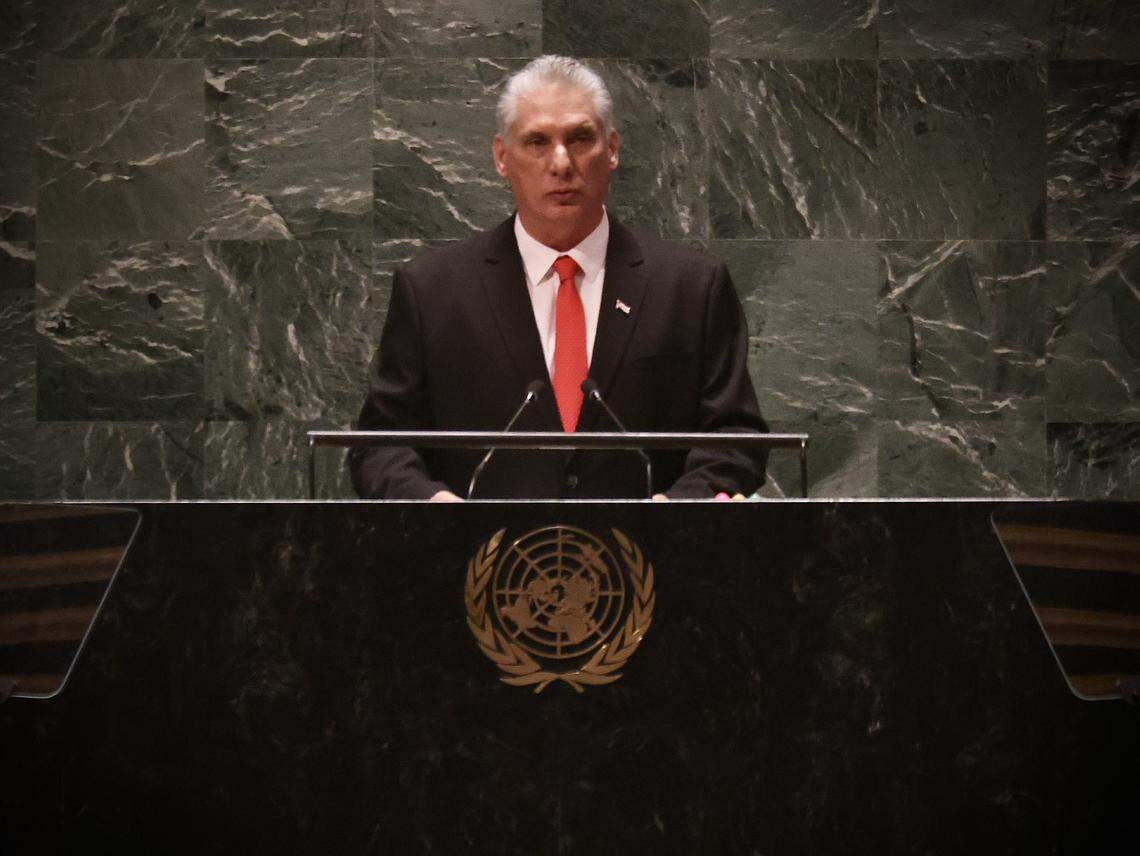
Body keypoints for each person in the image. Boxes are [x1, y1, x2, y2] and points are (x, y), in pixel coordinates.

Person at [349, 55, 767, 501]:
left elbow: (736, 438)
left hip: (651, 544)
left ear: (612, 149)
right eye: (537, 141)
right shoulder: (433, 291)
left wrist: (676, 510)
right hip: (481, 545)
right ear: (502, 157)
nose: (562, 163)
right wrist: (434, 507)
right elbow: (380, 443)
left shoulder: (690, 287)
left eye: (580, 138)